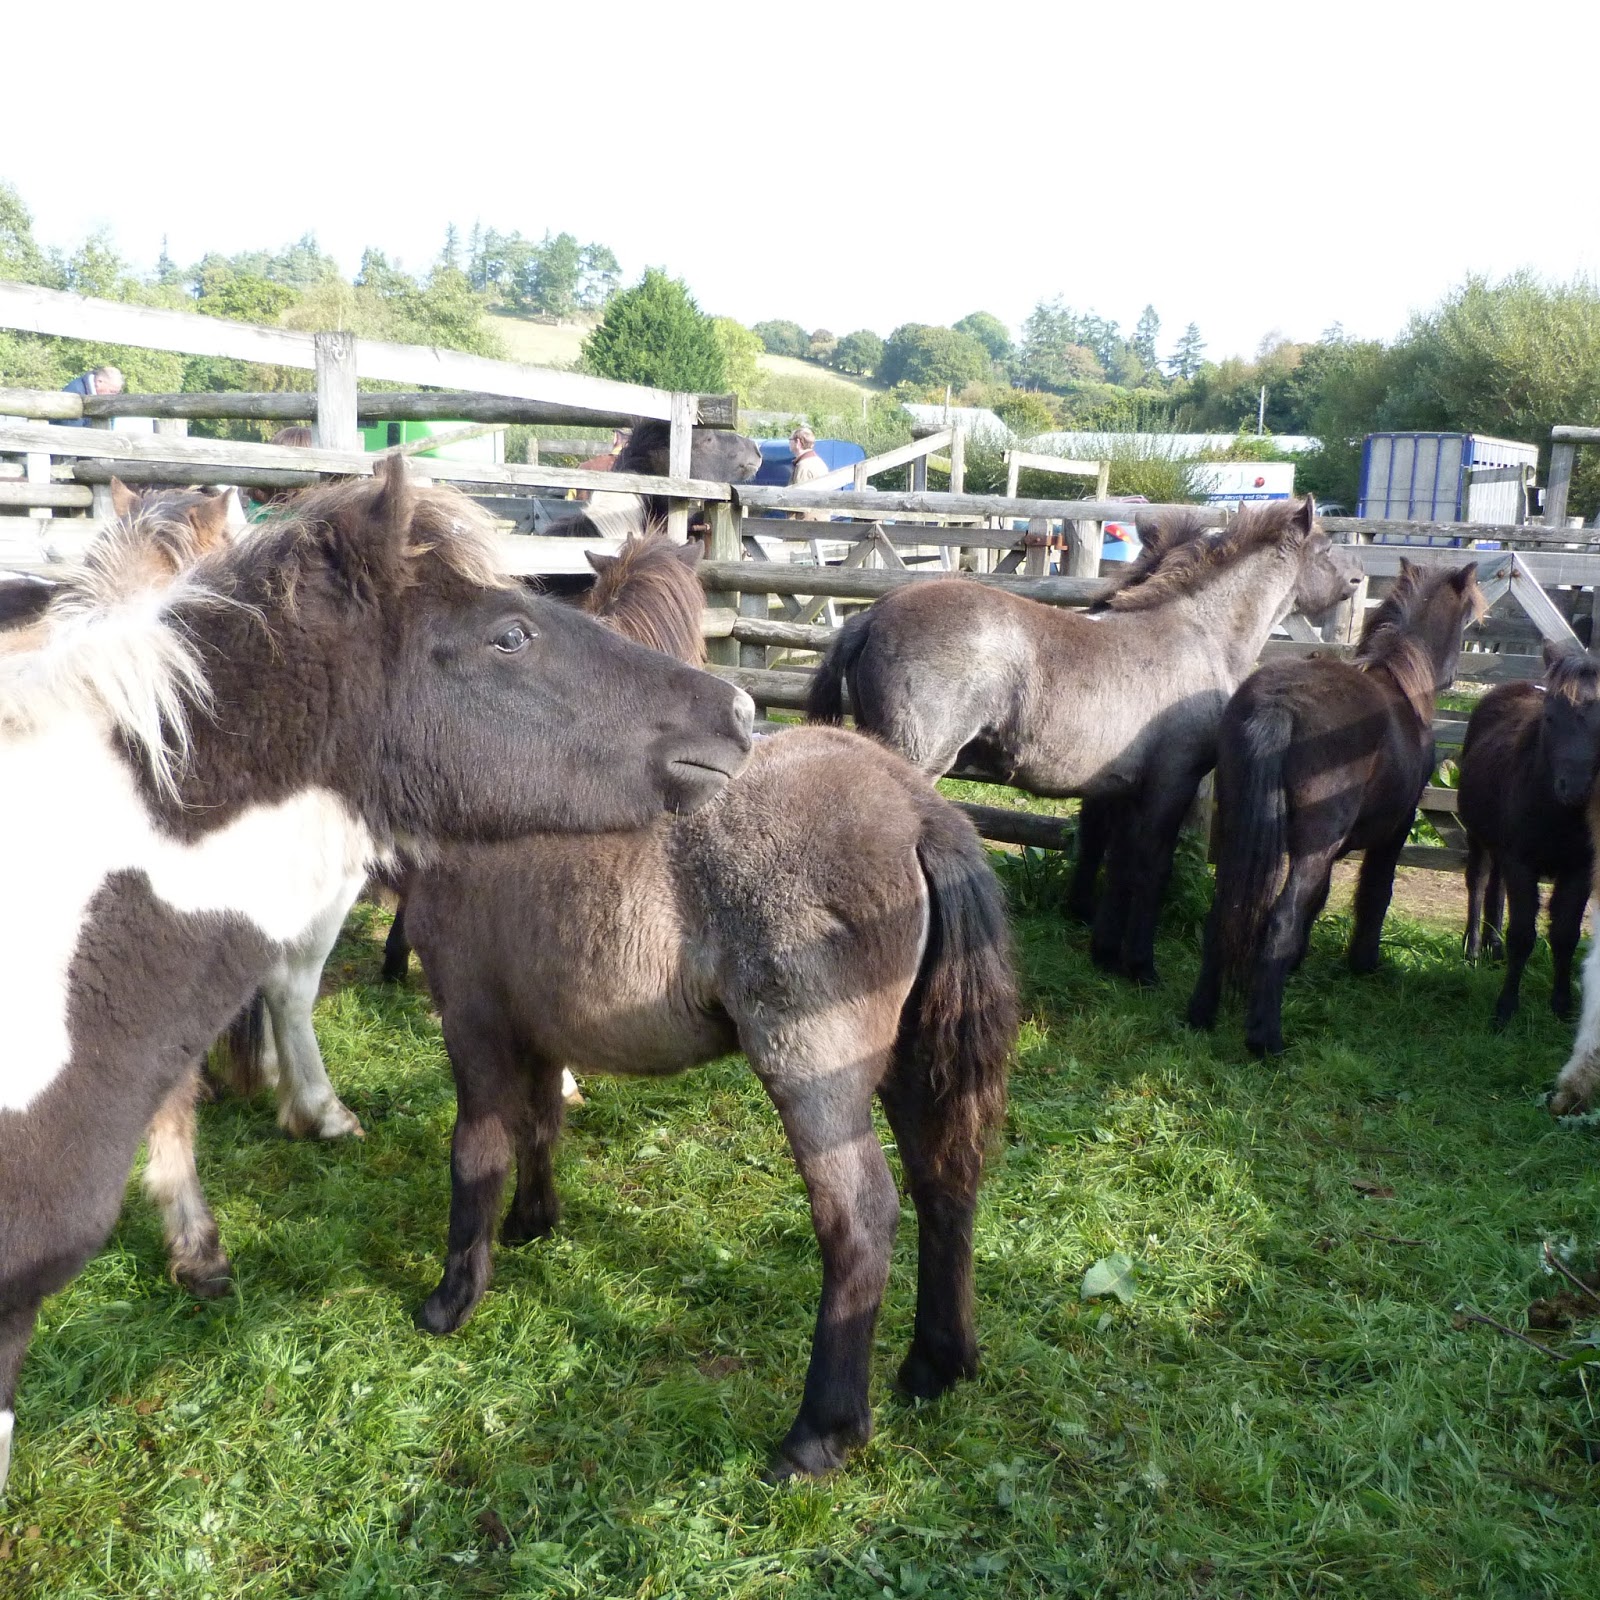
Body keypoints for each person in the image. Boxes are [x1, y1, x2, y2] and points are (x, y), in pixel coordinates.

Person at [58, 365, 124, 426]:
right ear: (99, 382)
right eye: (112, 391)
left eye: (117, 393)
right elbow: (71, 429)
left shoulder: (107, 400)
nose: (115, 396)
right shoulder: (74, 392)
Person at [789, 425, 829, 521]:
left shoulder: (803, 466)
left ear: (798, 442)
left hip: (807, 523)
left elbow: (798, 499)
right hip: (820, 520)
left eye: (790, 440)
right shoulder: (819, 462)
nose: (789, 443)